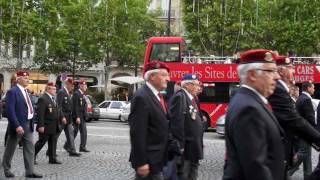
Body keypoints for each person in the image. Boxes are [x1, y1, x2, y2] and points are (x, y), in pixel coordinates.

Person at [223, 49, 284, 180]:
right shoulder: (249, 109)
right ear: (252, 75)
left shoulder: (250, 101)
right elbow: (256, 167)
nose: (277, 77)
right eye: (271, 71)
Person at [268, 55, 320, 180]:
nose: (294, 71)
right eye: (291, 67)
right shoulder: (278, 89)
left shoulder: (283, 90)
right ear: (281, 71)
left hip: (283, 152)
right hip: (276, 155)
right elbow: (295, 120)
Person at [129, 60, 170, 180]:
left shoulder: (157, 95)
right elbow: (137, 133)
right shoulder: (142, 97)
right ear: (152, 76)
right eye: (164, 75)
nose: (168, 78)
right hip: (148, 160)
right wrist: (142, 162)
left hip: (157, 158)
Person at [1, 71, 42, 178]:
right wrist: (17, 125)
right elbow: (10, 111)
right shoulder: (12, 92)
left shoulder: (27, 91)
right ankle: (6, 169)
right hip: (18, 125)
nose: (27, 80)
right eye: (25, 78)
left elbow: (28, 106)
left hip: (28, 124)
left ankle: (30, 171)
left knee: (29, 148)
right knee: (11, 148)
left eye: (28, 78)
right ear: (18, 79)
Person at [168, 74, 204, 180]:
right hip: (186, 148)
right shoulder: (180, 97)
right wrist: (180, 146)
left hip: (193, 147)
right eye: (196, 85)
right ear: (188, 85)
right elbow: (177, 123)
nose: (199, 87)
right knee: (184, 175)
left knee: (191, 175)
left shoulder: (192, 98)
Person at [34, 82, 66, 164]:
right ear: (48, 89)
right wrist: (41, 126)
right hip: (46, 125)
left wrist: (62, 117)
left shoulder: (53, 98)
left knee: (53, 142)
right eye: (53, 89)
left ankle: (52, 158)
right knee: (41, 142)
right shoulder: (43, 98)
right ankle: (31, 156)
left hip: (54, 125)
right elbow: (40, 114)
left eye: (55, 89)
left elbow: (58, 109)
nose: (55, 90)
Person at [288, 82, 315, 178]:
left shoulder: (300, 98)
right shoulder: (306, 99)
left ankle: (308, 176)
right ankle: (286, 173)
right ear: (308, 88)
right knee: (303, 153)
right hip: (305, 132)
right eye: (313, 87)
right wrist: (314, 132)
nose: (314, 89)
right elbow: (310, 118)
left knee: (307, 157)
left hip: (301, 132)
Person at [57, 78, 81, 156]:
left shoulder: (68, 93)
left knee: (71, 134)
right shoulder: (61, 92)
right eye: (71, 85)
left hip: (68, 118)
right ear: (67, 84)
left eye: (73, 86)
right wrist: (62, 117)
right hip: (62, 118)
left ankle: (72, 150)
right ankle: (50, 151)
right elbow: (59, 106)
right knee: (55, 135)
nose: (72, 87)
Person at [73, 80, 90, 152]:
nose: (85, 87)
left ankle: (82, 147)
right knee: (75, 132)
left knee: (83, 132)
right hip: (78, 117)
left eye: (85, 86)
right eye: (84, 86)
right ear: (80, 86)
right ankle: (68, 145)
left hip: (82, 117)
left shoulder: (82, 94)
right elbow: (76, 106)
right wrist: (77, 117)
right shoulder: (77, 94)